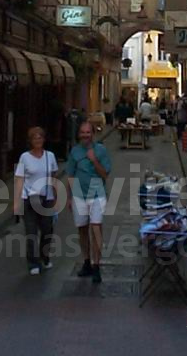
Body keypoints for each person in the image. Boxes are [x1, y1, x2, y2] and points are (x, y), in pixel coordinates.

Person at [66, 121, 112, 284]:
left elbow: (105, 174)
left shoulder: (100, 150)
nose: (85, 135)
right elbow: (70, 175)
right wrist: (70, 196)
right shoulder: (75, 152)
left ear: (93, 134)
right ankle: (86, 261)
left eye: (88, 132)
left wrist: (94, 161)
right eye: (82, 132)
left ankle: (97, 266)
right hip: (79, 195)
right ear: (79, 134)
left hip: (97, 194)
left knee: (96, 228)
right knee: (82, 230)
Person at [13, 127, 58, 276]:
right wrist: (16, 203)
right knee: (31, 233)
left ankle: (44, 257)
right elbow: (19, 179)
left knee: (47, 231)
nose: (38, 140)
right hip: (29, 199)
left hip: (46, 199)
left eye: (40, 137)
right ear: (30, 141)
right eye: (34, 138)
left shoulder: (50, 156)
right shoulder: (24, 157)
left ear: (44, 140)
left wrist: (56, 200)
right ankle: (33, 262)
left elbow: (54, 178)